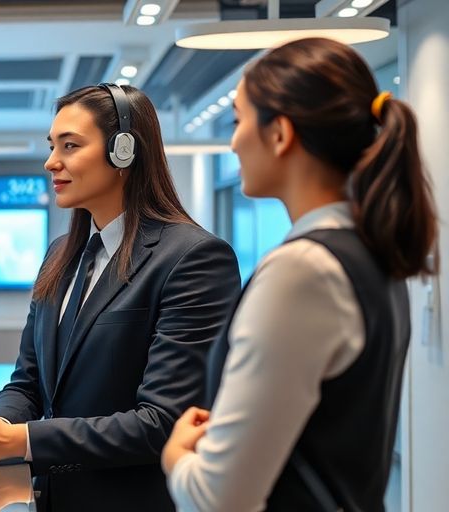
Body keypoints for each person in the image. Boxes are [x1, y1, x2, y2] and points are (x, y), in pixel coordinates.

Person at [0, 83, 241, 511]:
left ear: (124, 151)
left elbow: (163, 422)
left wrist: (21, 440)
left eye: (70, 145)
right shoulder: (60, 256)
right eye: (52, 146)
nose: (51, 162)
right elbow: (27, 383)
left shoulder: (194, 258)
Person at [163, 38, 437, 512]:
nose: (232, 142)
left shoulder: (303, 270)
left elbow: (217, 499)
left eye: (238, 121)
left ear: (280, 134)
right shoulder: (368, 252)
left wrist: (176, 457)